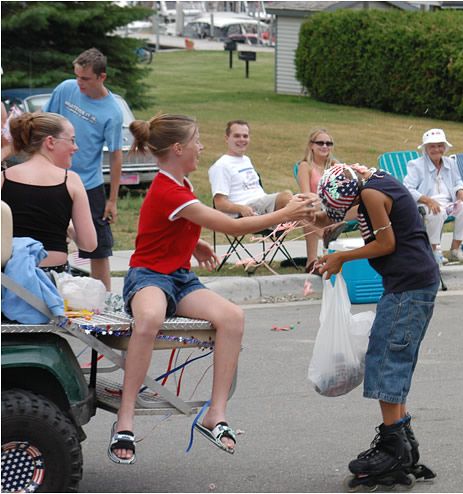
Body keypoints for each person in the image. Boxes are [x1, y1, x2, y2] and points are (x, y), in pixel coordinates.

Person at [109, 114, 314, 464]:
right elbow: (231, 227)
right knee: (149, 318)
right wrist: (284, 213)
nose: (201, 148)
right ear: (178, 148)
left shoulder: (182, 185)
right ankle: (124, 418)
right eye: (197, 141)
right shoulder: (167, 189)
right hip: (148, 276)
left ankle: (214, 414)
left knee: (232, 318)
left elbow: (171, 226)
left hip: (178, 276)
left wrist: (195, 243)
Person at [316, 163, 440, 489]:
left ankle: (392, 450)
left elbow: (387, 244)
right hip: (410, 281)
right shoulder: (369, 183)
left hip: (408, 284)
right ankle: (403, 441)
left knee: (387, 360)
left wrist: (342, 258)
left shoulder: (370, 193)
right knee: (392, 357)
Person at [43, 48, 123, 291]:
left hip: (88, 184)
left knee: (98, 247)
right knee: (48, 240)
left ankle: (104, 301)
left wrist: (112, 200)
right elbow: (45, 120)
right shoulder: (66, 88)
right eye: (77, 76)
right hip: (53, 178)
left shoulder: (112, 111)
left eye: (85, 78)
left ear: (102, 77)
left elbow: (116, 156)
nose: (79, 83)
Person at [1, 112, 97, 273]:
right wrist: (70, 227)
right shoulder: (70, 180)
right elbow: (89, 244)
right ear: (51, 142)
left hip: (10, 277)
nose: (75, 147)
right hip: (53, 276)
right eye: (71, 140)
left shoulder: (4, 178)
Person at [403, 128, 463, 263]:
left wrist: (460, 190)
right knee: (436, 211)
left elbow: (458, 181)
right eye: (432, 146)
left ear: (445, 147)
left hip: (449, 203)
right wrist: (428, 200)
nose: (437, 150)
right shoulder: (416, 165)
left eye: (440, 146)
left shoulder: (450, 162)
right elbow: (407, 188)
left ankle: (455, 249)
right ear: (425, 148)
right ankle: (434, 250)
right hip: (425, 204)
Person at [209, 120, 293, 219]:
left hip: (262, 205)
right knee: (287, 197)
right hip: (245, 212)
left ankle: (314, 231)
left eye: (245, 136)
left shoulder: (246, 160)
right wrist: (241, 208)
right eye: (237, 136)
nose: (242, 139)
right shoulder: (222, 165)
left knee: (307, 200)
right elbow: (219, 203)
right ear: (227, 139)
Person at [295, 128, 353, 272]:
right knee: (309, 213)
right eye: (320, 143)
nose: (325, 146)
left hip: (335, 207)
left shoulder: (334, 164)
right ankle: (312, 261)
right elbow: (306, 194)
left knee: (364, 205)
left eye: (329, 143)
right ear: (311, 145)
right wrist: (320, 203)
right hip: (315, 206)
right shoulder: (305, 166)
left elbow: (346, 188)